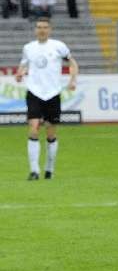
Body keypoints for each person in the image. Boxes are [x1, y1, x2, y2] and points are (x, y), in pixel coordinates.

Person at [14, 18, 78, 180]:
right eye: (39, 27)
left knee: (50, 133)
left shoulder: (58, 46)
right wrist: (20, 73)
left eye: (45, 27)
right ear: (35, 30)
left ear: (50, 29)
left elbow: (73, 63)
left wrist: (72, 79)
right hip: (34, 93)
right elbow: (23, 64)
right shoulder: (28, 48)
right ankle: (34, 171)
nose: (42, 30)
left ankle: (49, 168)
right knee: (34, 128)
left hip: (52, 94)